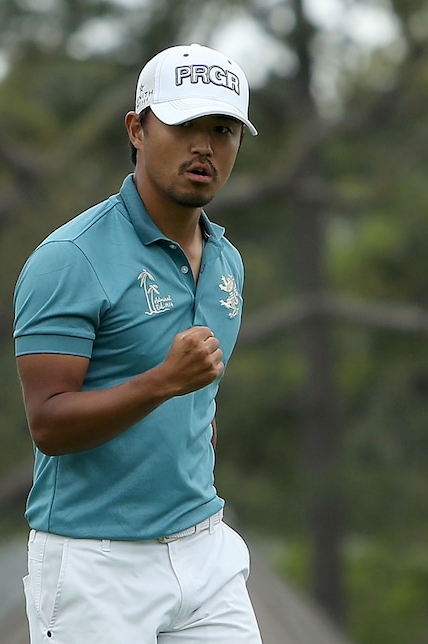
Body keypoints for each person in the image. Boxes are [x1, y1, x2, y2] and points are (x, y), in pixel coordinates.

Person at [13, 43, 262, 643]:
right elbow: (48, 424)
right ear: (138, 129)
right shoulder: (70, 259)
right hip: (95, 565)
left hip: (205, 550)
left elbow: (200, 409)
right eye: (184, 126)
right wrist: (162, 382)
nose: (204, 146)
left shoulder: (227, 260)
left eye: (223, 130)